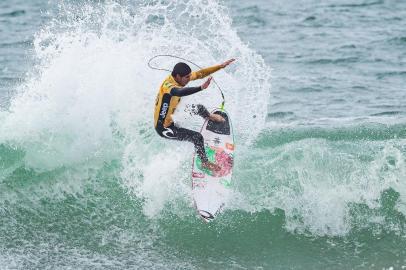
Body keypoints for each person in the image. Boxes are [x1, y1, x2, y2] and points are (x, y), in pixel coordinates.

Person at [154, 59, 235, 172]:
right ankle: (205, 163)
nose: (189, 79)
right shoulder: (168, 86)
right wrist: (200, 88)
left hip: (175, 112)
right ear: (178, 76)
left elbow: (199, 74)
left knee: (199, 108)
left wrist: (220, 66)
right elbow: (179, 92)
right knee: (197, 137)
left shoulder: (181, 78)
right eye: (187, 77)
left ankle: (210, 116)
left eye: (189, 76)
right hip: (164, 127)